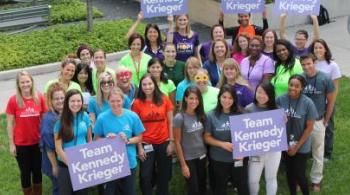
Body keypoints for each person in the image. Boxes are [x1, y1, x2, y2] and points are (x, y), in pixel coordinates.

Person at [93, 87, 145, 195]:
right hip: (110, 163)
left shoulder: (132, 116)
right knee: (110, 192)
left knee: (129, 192)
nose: (115, 104)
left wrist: (127, 140)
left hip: (129, 161)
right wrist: (107, 139)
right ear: (108, 101)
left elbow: (140, 137)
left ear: (123, 100)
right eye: (112, 101)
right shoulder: (102, 118)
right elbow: (96, 139)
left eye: (118, 101)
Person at [132, 74, 174, 195]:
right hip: (146, 143)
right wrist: (139, 147)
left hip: (164, 141)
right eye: (144, 84)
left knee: (164, 174)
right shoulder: (137, 103)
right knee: (145, 176)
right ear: (141, 86)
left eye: (150, 84)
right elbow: (136, 128)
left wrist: (171, 142)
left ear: (155, 85)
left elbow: (171, 121)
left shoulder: (164, 98)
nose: (147, 87)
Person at [6, 71, 47, 195]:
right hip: (21, 143)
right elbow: (9, 124)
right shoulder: (13, 100)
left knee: (37, 171)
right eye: (22, 82)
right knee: (25, 172)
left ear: (32, 82)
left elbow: (44, 120)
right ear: (18, 84)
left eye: (27, 81)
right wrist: (11, 144)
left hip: (37, 142)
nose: (25, 84)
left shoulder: (39, 97)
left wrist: (45, 139)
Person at [276, 75, 317, 195]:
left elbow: (309, 128)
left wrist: (297, 147)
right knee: (290, 172)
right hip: (285, 143)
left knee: (299, 173)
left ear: (302, 88)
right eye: (291, 85)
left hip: (301, 144)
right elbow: (273, 120)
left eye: (297, 86)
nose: (293, 88)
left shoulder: (308, 103)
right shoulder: (280, 100)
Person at [300, 54, 336, 192]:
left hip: (317, 120)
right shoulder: (300, 77)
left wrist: (326, 120)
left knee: (318, 152)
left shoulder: (325, 78)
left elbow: (331, 101)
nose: (306, 67)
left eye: (309, 63)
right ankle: (299, 177)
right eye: (303, 65)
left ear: (314, 62)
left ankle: (316, 179)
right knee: (301, 152)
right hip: (302, 121)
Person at [204, 84, 249, 195]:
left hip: (239, 158)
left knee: (242, 186)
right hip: (219, 158)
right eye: (224, 97)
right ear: (219, 97)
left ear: (234, 99)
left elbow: (251, 135)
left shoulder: (242, 113)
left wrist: (245, 152)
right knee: (220, 187)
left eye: (230, 98)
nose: (227, 100)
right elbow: (207, 137)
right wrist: (222, 144)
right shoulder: (211, 115)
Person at [245, 81, 281, 195]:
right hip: (255, 151)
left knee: (271, 177)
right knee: (252, 180)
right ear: (255, 92)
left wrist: (283, 122)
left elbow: (279, 133)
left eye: (265, 93)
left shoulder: (277, 110)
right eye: (259, 92)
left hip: (273, 150)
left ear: (270, 95)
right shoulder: (248, 109)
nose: (261, 96)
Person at [54, 89, 92, 195]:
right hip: (66, 164)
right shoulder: (60, 122)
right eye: (72, 101)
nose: (76, 104)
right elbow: (58, 148)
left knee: (82, 193)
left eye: (78, 101)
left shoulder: (85, 116)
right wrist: (71, 164)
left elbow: (89, 139)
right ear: (67, 102)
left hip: (83, 162)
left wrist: (90, 157)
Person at [310, 39, 341, 161]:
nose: (318, 50)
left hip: (327, 102)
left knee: (327, 127)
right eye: (315, 48)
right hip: (314, 103)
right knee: (314, 128)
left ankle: (327, 154)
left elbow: (335, 88)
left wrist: (331, 103)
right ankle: (315, 152)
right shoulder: (312, 63)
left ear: (325, 49)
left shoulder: (332, 65)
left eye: (320, 47)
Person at [173, 86, 207, 195]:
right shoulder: (179, 118)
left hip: (202, 156)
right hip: (189, 158)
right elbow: (177, 142)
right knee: (194, 189)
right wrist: (183, 165)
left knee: (202, 186)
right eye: (191, 98)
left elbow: (202, 137)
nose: (194, 101)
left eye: (197, 99)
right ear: (186, 99)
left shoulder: (201, 115)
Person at [40, 82, 65, 195]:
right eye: (56, 99)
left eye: (62, 98)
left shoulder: (64, 113)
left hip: (63, 157)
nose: (60, 101)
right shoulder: (49, 120)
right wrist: (55, 167)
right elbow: (49, 148)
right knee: (59, 187)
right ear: (51, 101)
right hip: (52, 160)